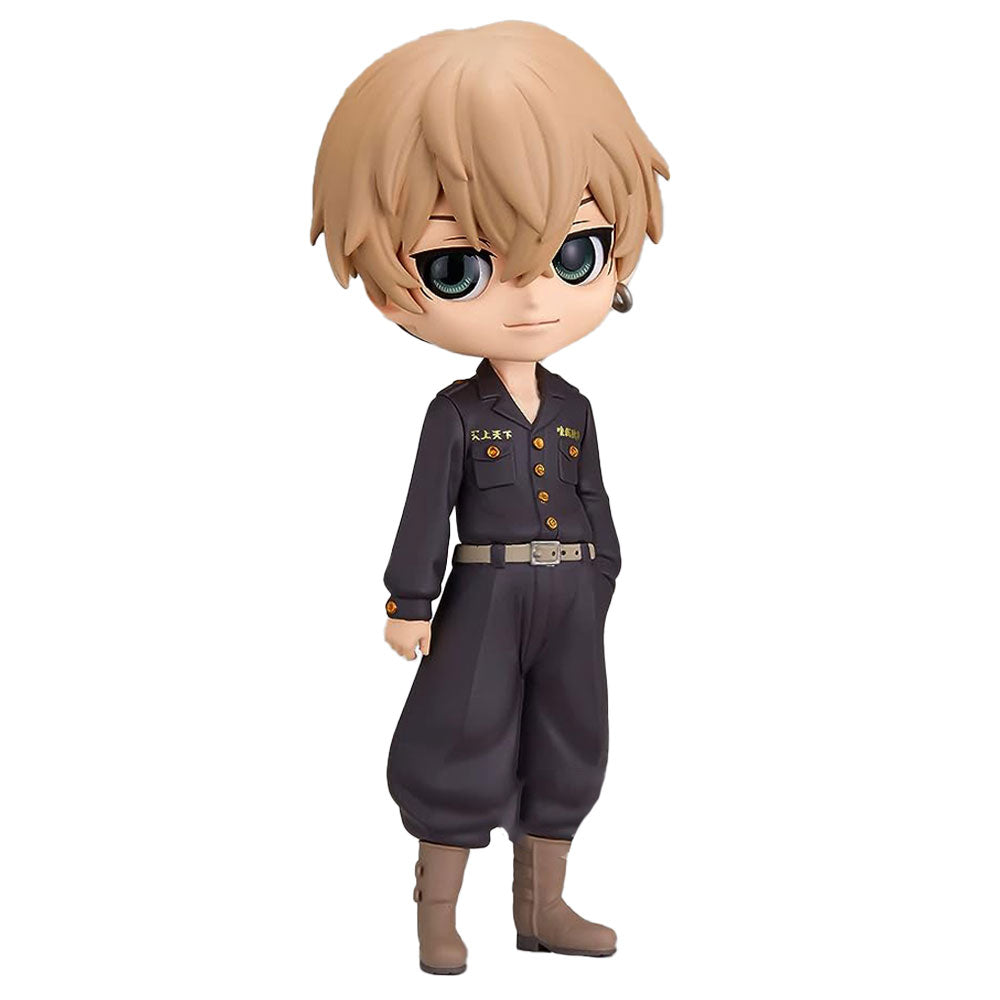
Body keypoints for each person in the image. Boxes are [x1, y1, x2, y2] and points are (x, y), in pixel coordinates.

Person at [311, 20, 668, 975]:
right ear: (394, 288)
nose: (533, 296)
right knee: (459, 732)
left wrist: (600, 573)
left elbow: (595, 497)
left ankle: (543, 907)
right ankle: (438, 912)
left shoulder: (575, 406)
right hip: (483, 591)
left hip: (570, 594)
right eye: (459, 267)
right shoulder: (456, 414)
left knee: (571, 733)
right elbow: (425, 507)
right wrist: (410, 600)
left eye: (576, 253)